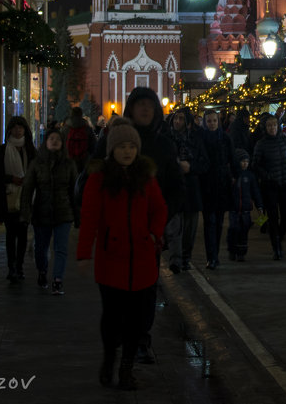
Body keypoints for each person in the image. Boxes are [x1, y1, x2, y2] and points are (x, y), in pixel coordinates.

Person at [89, 87, 183, 364]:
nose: (145, 110)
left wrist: (161, 222)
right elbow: (92, 175)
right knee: (115, 292)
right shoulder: (113, 138)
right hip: (114, 235)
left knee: (146, 290)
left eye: (150, 105)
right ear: (131, 108)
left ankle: (141, 337)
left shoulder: (164, 145)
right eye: (140, 105)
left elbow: (177, 187)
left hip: (147, 236)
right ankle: (118, 336)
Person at [76, 118, 167, 391]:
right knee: (112, 317)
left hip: (141, 259)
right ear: (112, 149)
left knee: (136, 320)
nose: (127, 151)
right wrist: (84, 254)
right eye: (121, 146)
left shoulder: (145, 177)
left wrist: (154, 233)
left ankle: (126, 370)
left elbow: (159, 208)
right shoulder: (99, 178)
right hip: (111, 258)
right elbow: (89, 217)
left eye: (131, 146)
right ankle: (109, 358)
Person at [20, 127, 78, 295]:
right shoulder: (37, 164)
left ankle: (58, 280)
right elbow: (28, 189)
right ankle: (42, 271)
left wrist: (77, 214)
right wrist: (26, 212)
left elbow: (74, 191)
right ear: (46, 142)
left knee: (61, 248)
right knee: (41, 248)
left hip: (63, 212)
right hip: (41, 211)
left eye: (57, 139)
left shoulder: (69, 164)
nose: (54, 141)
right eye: (51, 138)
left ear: (62, 143)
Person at [0, 116, 37, 284]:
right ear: (9, 130)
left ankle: (19, 266)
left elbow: (36, 173)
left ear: (25, 130)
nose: (18, 131)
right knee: (11, 234)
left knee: (23, 233)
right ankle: (11, 267)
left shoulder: (31, 150)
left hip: (26, 198)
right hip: (9, 197)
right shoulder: (2, 151)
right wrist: (11, 179)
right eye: (15, 127)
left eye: (21, 128)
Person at [169, 107, 208, 273]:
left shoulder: (196, 139)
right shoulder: (167, 138)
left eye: (181, 119)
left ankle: (186, 256)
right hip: (173, 186)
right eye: (176, 118)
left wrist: (190, 167)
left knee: (190, 226)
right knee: (174, 225)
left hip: (191, 187)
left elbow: (205, 163)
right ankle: (175, 259)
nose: (178, 122)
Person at [251, 112, 286, 260]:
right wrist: (267, 175)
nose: (272, 128)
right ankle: (276, 247)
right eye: (269, 125)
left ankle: (278, 238)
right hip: (270, 186)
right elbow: (255, 164)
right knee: (273, 217)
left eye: (274, 125)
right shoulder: (261, 144)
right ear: (265, 127)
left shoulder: (285, 141)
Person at [199, 110, 234, 269]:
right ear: (205, 123)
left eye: (214, 121)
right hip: (207, 184)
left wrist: (233, 176)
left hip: (221, 184)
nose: (212, 123)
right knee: (209, 222)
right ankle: (211, 256)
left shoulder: (225, 138)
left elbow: (232, 159)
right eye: (209, 121)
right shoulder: (201, 139)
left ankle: (215, 255)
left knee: (219, 222)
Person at [227, 149, 263, 262]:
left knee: (244, 231)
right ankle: (232, 250)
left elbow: (255, 192)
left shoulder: (250, 176)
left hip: (246, 210)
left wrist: (260, 206)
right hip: (234, 209)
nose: (245, 164)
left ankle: (241, 253)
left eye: (247, 161)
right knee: (234, 229)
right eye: (242, 161)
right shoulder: (232, 176)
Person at [65, 106, 93, 171]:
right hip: (84, 159)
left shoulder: (66, 128)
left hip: (69, 159)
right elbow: (93, 145)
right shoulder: (87, 128)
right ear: (81, 114)